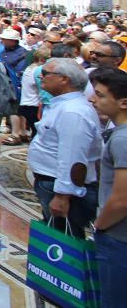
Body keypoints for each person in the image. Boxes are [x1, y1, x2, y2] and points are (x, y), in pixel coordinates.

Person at [27, 58, 101, 238]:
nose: (41, 77)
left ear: (64, 79)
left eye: (46, 73)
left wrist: (63, 196)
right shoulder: (63, 105)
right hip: (51, 182)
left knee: (64, 238)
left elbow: (72, 157)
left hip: (58, 186)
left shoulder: (72, 112)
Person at [87, 67, 127, 307]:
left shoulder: (122, 139)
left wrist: (99, 225)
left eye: (101, 95)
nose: (93, 99)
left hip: (117, 234)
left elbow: (122, 199)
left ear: (123, 102)